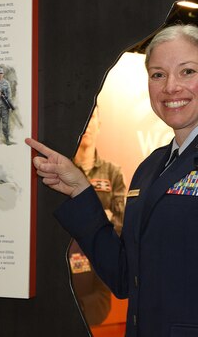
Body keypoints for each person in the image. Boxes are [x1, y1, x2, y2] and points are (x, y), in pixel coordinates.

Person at [26, 24, 198, 336]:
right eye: (158, 74)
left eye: (187, 72)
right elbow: (125, 276)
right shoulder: (150, 168)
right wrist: (81, 190)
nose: (171, 87)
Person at [69, 106, 127, 326]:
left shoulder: (112, 172)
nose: (87, 124)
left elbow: (121, 224)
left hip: (100, 264)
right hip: (66, 265)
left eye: (92, 117)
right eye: (83, 116)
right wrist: (102, 217)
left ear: (99, 125)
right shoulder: (61, 171)